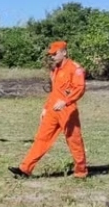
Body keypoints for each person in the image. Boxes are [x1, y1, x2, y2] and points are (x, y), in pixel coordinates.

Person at [9, 41, 88, 179]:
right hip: (53, 110)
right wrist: (45, 108)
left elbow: (79, 88)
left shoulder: (75, 68)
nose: (52, 56)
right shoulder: (55, 70)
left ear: (64, 52)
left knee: (74, 140)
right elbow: (54, 92)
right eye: (51, 54)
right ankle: (25, 169)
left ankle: (81, 171)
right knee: (41, 138)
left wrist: (66, 101)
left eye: (55, 53)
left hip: (68, 111)